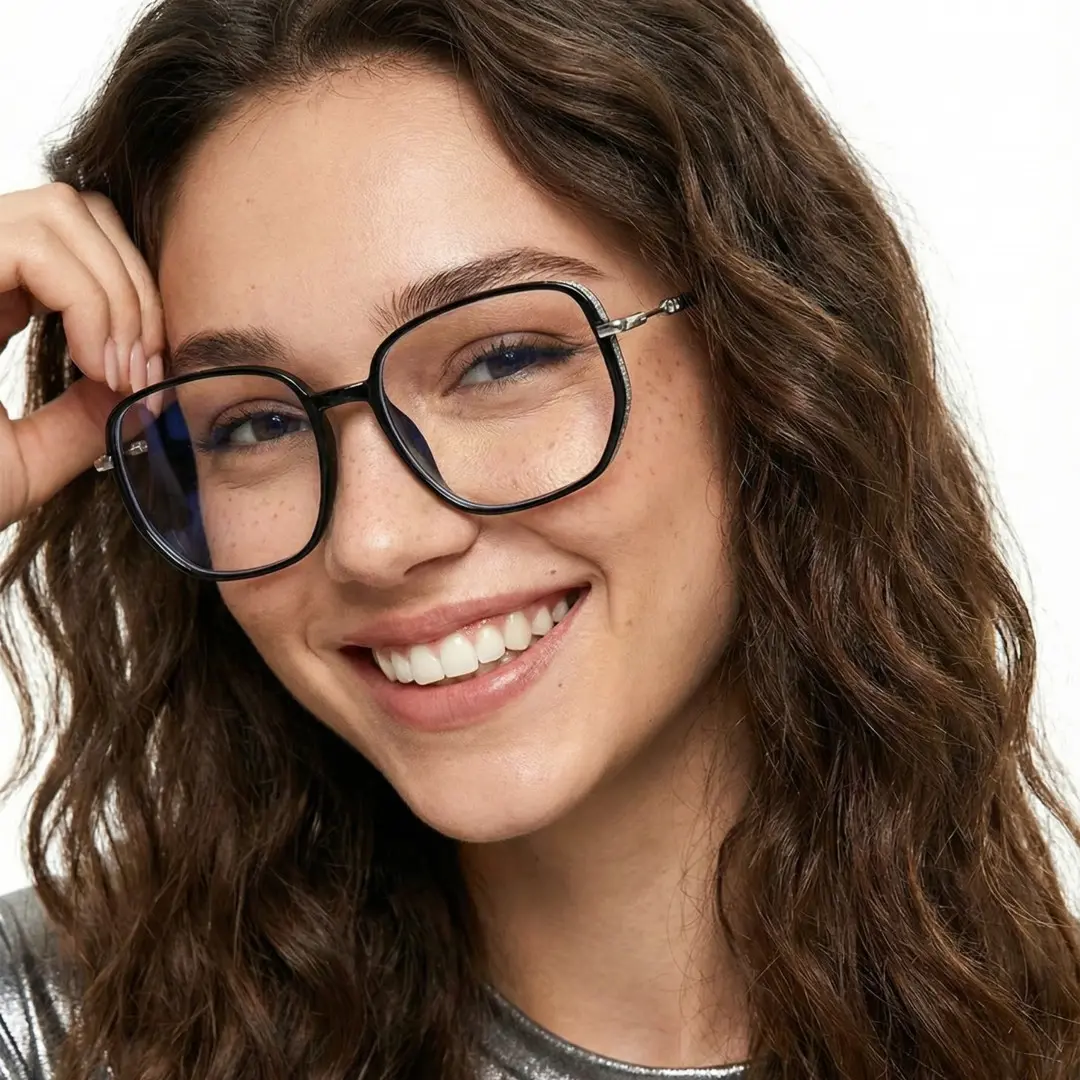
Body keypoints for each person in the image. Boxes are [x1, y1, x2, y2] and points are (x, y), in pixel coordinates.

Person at [0, 0, 1077, 1077]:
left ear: (774, 362)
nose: (375, 539)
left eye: (503, 360)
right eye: (257, 422)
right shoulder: (55, 1030)